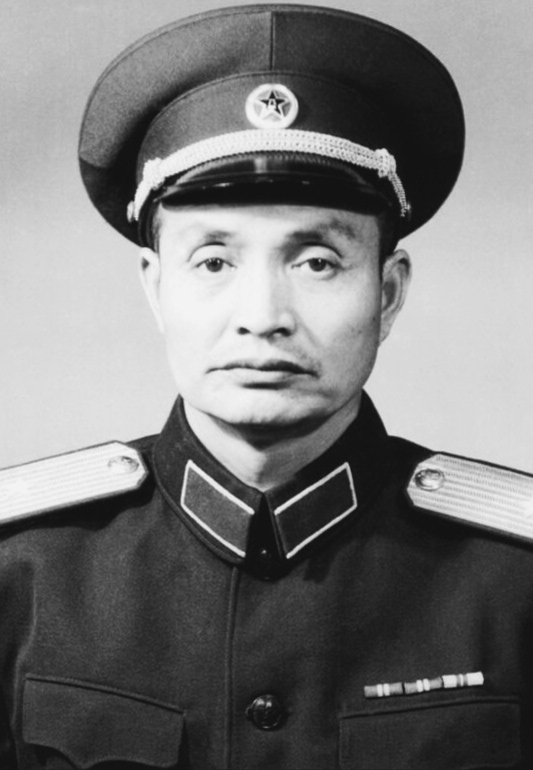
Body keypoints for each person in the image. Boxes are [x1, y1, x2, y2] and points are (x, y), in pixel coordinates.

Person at [0, 4, 531, 769]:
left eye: (316, 262)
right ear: (155, 288)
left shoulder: (512, 584)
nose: (263, 316)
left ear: (386, 294)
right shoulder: (25, 572)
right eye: (214, 261)